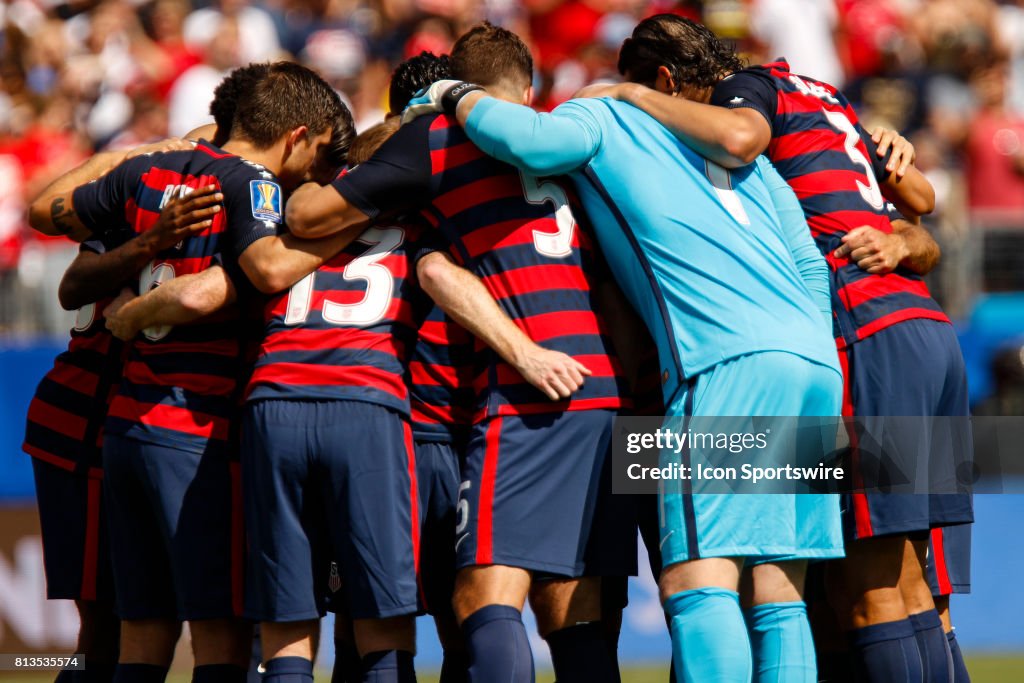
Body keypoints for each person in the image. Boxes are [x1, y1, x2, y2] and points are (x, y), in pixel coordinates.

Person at [402, 19, 851, 683]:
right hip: (815, 367)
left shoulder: (610, 111)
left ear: (654, 81)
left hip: (722, 365)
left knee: (702, 581)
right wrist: (825, 367)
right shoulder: (753, 164)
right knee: (781, 591)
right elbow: (812, 267)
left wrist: (452, 92)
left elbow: (524, 137)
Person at [575, 14, 973, 682]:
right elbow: (923, 201)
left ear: (670, 83)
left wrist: (627, 98)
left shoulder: (745, 104)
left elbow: (737, 136)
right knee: (904, 589)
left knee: (845, 590)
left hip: (843, 346)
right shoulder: (826, 99)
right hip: (920, 335)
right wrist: (905, 237)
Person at [286, 24, 634, 683]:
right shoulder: (573, 143)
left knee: (474, 597)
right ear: (527, 89)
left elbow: (314, 222)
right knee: (577, 609)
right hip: (610, 391)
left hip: (517, 396)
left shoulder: (437, 139)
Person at [27, 61, 352, 683]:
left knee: (133, 628)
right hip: (165, 424)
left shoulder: (146, 176)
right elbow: (258, 269)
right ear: (297, 136)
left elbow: (51, 214)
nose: (318, 174)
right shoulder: (243, 185)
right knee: (199, 633)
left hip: (127, 420)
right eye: (318, 155)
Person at [23, 178, 221, 683]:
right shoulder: (130, 210)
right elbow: (71, 289)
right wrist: (152, 239)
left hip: (147, 428)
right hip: (83, 426)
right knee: (108, 625)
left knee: (157, 616)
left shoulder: (231, 205)